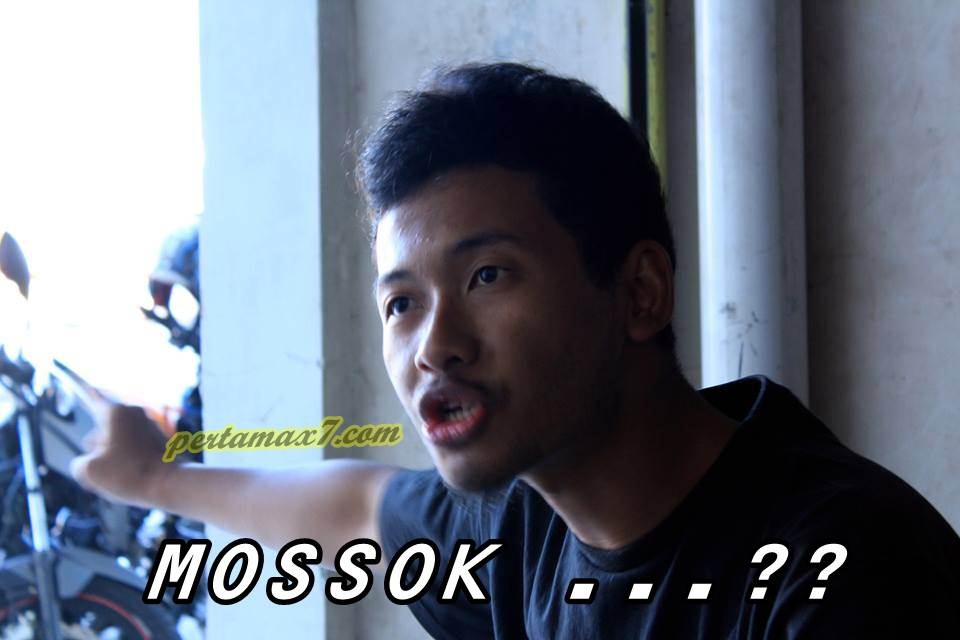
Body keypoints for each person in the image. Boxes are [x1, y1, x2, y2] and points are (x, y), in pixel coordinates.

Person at [71, 63, 960, 639]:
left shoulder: (839, 572)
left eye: (488, 275)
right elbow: (355, 508)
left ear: (640, 292)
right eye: (401, 303)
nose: (433, 345)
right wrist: (153, 478)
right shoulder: (522, 524)